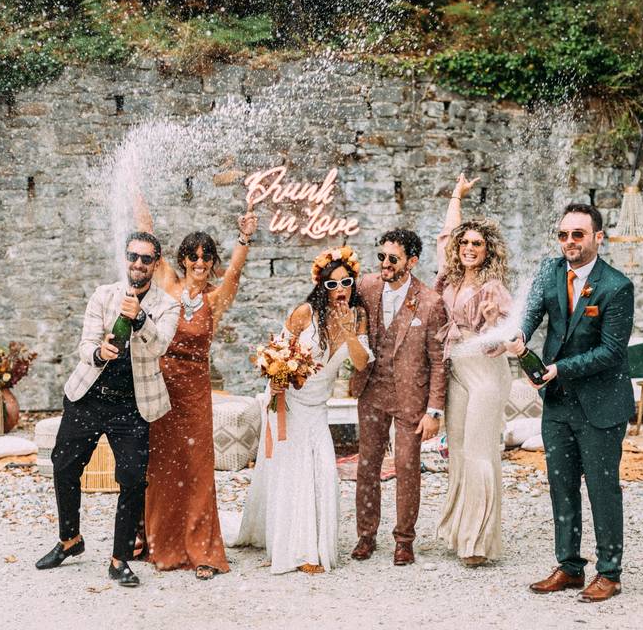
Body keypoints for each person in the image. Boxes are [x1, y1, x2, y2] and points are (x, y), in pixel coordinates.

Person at [35, 231, 179, 588]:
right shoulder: (104, 295)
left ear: (156, 264)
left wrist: (141, 318)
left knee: (131, 480)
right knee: (64, 466)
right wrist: (98, 352)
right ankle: (70, 539)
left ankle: (119, 560)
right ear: (125, 258)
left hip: (132, 406)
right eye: (133, 256)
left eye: (146, 259)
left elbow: (160, 346)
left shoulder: (167, 305)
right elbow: (84, 343)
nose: (138, 264)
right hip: (89, 395)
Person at [507, 202, 634, 603]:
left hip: (602, 406)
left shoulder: (617, 286)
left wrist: (559, 367)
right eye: (563, 234)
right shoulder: (549, 271)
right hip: (558, 403)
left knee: (602, 489)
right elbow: (531, 312)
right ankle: (570, 567)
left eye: (577, 234)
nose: (569, 242)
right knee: (561, 488)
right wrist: (519, 338)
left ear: (598, 237)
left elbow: (612, 352)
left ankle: (609, 573)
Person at [133, 194, 258, 580]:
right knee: (162, 466)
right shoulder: (167, 284)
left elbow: (235, 272)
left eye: (206, 258)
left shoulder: (216, 300)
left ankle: (204, 550)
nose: (200, 263)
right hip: (162, 382)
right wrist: (139, 196)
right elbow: (149, 237)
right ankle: (163, 546)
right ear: (184, 259)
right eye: (194, 256)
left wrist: (244, 237)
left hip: (195, 389)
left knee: (198, 468)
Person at [234, 246, 373, 574]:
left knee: (323, 469)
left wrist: (350, 333)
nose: (339, 290)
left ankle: (315, 544)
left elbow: (361, 362)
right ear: (320, 286)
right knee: (292, 471)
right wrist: (278, 378)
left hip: (317, 406)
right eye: (331, 284)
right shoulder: (305, 313)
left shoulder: (359, 316)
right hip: (290, 402)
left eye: (345, 282)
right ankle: (295, 549)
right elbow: (277, 353)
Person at [349, 229, 447, 566]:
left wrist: (434, 410)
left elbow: (438, 360)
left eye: (393, 258)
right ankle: (366, 535)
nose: (385, 264)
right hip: (372, 391)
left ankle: (404, 540)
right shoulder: (365, 287)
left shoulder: (431, 302)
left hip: (411, 398)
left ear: (412, 261)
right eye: (381, 257)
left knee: (406, 467)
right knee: (367, 465)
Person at [434, 174, 513, 567]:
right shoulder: (448, 278)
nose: (468, 248)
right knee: (460, 451)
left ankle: (479, 541)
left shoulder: (492, 286)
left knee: (481, 451)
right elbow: (445, 236)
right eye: (465, 243)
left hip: (485, 371)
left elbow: (509, 331)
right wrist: (456, 196)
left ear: (487, 251)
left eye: (476, 244)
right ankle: (459, 532)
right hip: (456, 370)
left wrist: (492, 327)